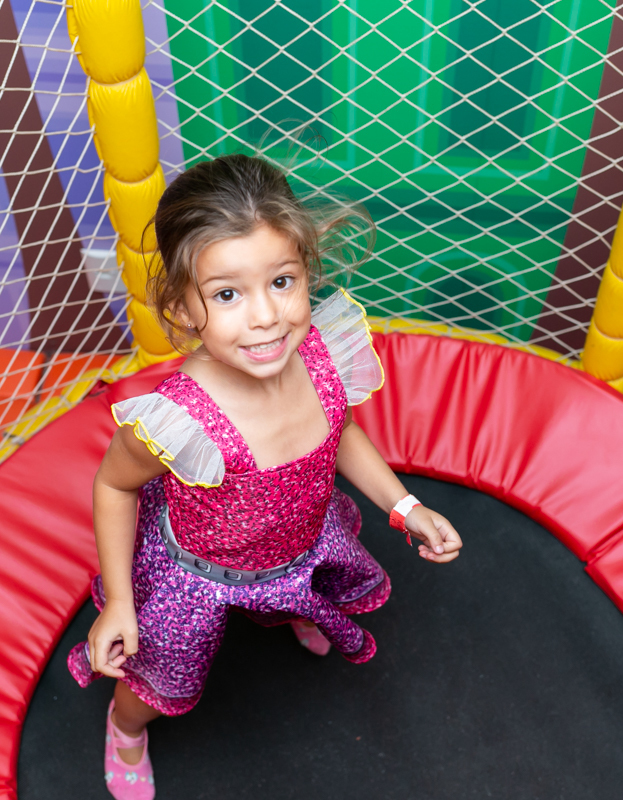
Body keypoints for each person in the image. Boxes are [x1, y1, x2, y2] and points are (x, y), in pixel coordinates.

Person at [67, 154, 463, 799]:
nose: (265, 317)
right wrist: (119, 600)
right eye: (227, 294)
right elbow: (115, 485)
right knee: (160, 678)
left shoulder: (324, 355)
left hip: (299, 545)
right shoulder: (180, 419)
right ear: (184, 307)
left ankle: (284, 610)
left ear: (307, 270)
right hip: (194, 577)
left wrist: (407, 506)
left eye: (282, 281)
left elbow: (344, 437)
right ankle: (126, 728)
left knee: (294, 593)